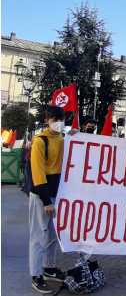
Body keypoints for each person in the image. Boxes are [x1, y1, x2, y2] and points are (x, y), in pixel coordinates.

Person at [29, 106, 73, 293]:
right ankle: (36, 275)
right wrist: (47, 201)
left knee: (53, 236)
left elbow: (70, 133)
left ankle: (49, 268)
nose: (58, 122)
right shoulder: (40, 141)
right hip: (42, 194)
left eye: (61, 119)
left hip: (58, 193)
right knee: (39, 236)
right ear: (47, 120)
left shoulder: (62, 136)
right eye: (54, 119)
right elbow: (38, 174)